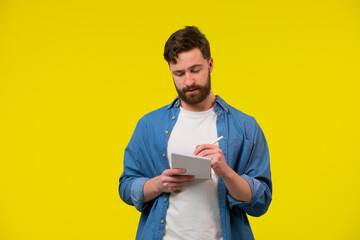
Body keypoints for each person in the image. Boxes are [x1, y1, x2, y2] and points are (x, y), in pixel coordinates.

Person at [119, 26, 272, 240]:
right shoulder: (148, 125)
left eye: (195, 70)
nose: (188, 81)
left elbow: (261, 201)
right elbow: (126, 186)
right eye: (179, 74)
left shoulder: (245, 126)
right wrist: (159, 184)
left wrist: (226, 172)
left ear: (210, 65)